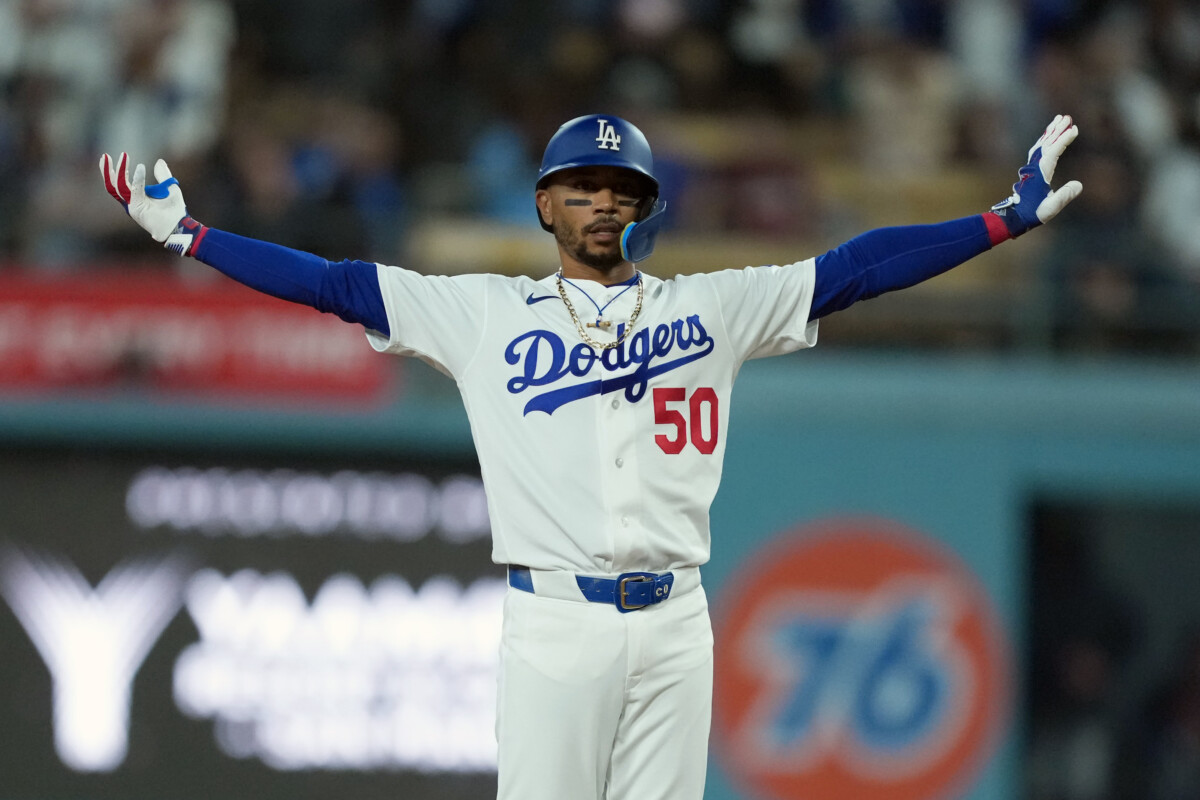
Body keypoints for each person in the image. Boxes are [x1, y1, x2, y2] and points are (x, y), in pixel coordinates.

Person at [99, 112, 1082, 800]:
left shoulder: (711, 307)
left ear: (644, 207)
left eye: (622, 188)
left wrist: (999, 220)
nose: (603, 202)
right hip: (554, 622)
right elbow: (337, 285)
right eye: (582, 187)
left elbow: (856, 268)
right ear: (544, 206)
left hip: (676, 620)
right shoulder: (481, 312)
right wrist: (192, 234)